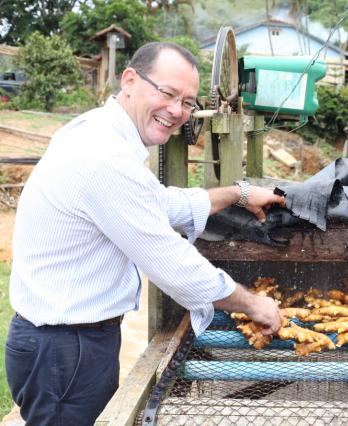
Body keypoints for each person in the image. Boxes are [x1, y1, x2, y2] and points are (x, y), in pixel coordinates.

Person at [4, 42, 285, 425]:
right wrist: (254, 304)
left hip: (69, 344)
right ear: (131, 80)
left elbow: (159, 205)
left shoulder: (99, 133)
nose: (177, 111)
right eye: (168, 94)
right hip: (66, 350)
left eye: (187, 102)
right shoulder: (106, 158)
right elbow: (173, 265)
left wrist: (239, 193)